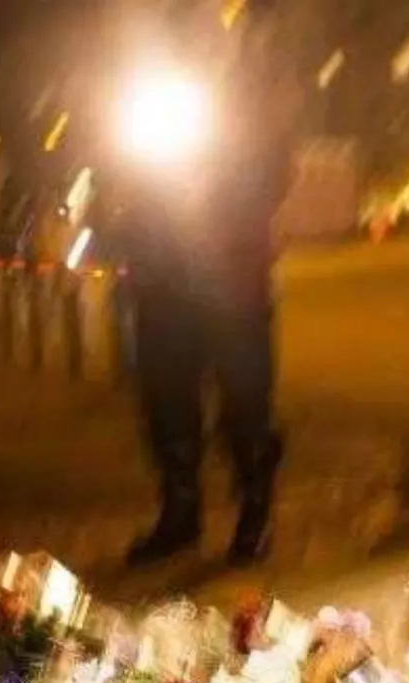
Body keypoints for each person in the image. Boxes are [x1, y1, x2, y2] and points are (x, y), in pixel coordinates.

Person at [117, 4, 297, 567]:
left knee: (243, 396)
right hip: (163, 270)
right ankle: (181, 510)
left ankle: (253, 507)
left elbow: (274, 165)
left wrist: (226, 179)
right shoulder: (148, 87)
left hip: (231, 269)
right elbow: (124, 164)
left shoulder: (249, 79)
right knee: (166, 393)